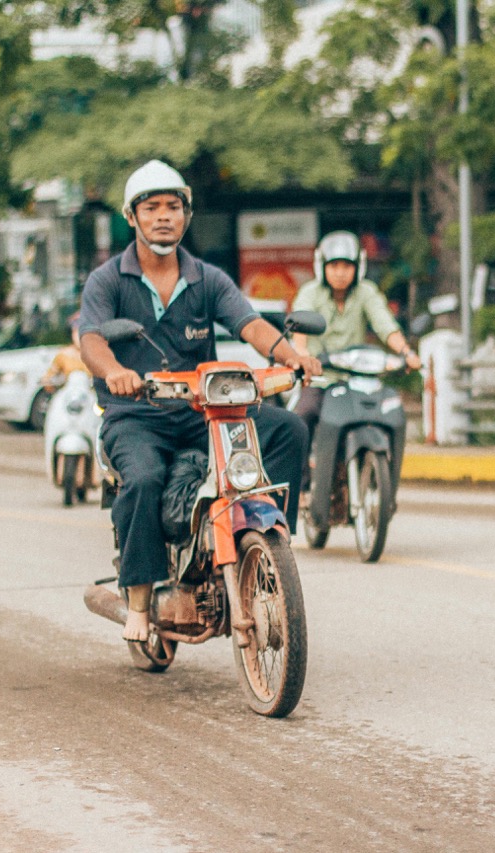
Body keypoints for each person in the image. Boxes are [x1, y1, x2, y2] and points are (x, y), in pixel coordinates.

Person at [77, 160, 321, 644]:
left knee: (287, 429)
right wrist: (116, 373)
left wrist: (290, 354)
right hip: (136, 415)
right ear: (133, 217)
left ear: (186, 216)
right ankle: (141, 600)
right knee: (143, 479)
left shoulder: (207, 278)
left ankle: (271, 546)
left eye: (173, 207)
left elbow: (248, 323)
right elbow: (91, 340)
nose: (163, 216)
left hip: (201, 412)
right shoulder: (107, 280)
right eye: (152, 208)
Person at [290, 230, 422, 440]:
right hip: (317, 379)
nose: (340, 273)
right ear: (322, 267)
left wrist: (407, 353)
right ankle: (302, 474)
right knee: (302, 418)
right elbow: (299, 328)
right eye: (334, 266)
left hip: (357, 380)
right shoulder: (310, 293)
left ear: (358, 267)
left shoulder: (366, 291)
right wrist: (303, 355)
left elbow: (385, 325)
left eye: (347, 266)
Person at [39, 313, 88, 391]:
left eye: (82, 333)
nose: (79, 337)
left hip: (90, 395)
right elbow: (50, 374)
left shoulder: (95, 354)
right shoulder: (64, 354)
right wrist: (47, 381)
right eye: (75, 333)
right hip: (69, 395)